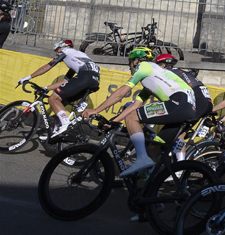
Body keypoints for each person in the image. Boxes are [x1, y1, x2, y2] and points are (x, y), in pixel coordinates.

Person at [83, 46, 197, 176]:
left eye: (130, 64)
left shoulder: (143, 66)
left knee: (132, 118)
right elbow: (135, 105)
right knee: (153, 150)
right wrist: (112, 122)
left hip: (179, 103)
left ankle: (141, 158)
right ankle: (150, 189)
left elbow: (121, 93)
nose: (130, 68)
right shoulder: (154, 75)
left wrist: (96, 110)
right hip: (188, 108)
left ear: (136, 61)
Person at [17, 38, 100, 138]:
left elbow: (47, 66)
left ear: (60, 48)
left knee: (52, 98)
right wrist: (46, 88)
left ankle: (65, 123)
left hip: (85, 76)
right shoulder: (76, 57)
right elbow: (65, 81)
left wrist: (27, 77)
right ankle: (57, 131)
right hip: (93, 80)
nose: (56, 54)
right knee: (60, 102)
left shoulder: (65, 51)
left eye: (56, 51)